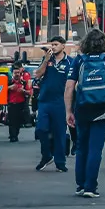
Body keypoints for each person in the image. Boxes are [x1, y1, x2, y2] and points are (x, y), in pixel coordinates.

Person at [64, 28, 105, 198]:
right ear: (104, 43)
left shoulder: (78, 61)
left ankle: (80, 185)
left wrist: (68, 111)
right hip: (104, 109)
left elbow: (69, 87)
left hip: (83, 108)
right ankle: (90, 187)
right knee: (95, 149)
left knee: (81, 147)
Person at [33, 35, 73, 173]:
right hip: (45, 100)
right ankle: (46, 155)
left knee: (59, 133)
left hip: (60, 101)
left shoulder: (70, 62)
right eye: (52, 44)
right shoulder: (47, 60)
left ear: (63, 45)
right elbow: (37, 74)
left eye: (56, 44)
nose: (53, 47)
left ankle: (60, 162)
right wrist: (45, 60)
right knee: (41, 129)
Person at [6, 63, 31, 142]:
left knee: (18, 121)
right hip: (11, 103)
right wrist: (9, 88)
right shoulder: (9, 81)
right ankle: (12, 136)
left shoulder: (24, 82)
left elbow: (29, 92)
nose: (16, 74)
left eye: (18, 73)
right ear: (12, 73)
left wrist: (23, 91)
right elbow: (1, 90)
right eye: (15, 73)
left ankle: (16, 134)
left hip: (21, 103)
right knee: (12, 121)